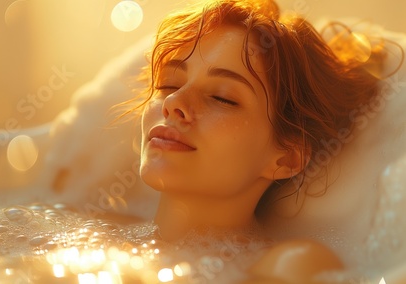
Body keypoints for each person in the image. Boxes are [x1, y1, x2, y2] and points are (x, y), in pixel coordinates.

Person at [118, 0, 392, 282]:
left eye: (222, 97)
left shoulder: (289, 267)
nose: (174, 101)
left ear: (287, 158)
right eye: (169, 85)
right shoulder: (99, 226)